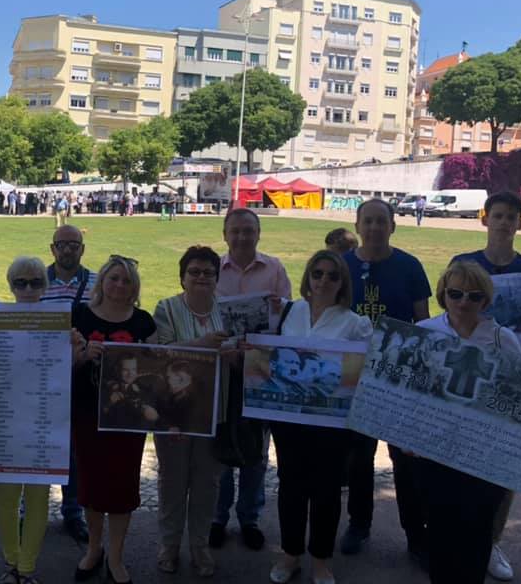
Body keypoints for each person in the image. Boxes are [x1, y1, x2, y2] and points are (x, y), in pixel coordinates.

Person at [449, 191, 521, 581]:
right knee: (456, 462)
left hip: (514, 379)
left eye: (510, 217)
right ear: (485, 219)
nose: (504, 222)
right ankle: (453, 536)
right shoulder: (463, 263)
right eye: (498, 215)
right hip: (465, 376)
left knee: (503, 467)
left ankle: (491, 542)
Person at [268, 251, 373, 584]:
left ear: (343, 282)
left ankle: (321, 560)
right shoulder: (289, 311)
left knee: (326, 491)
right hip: (289, 419)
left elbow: (365, 374)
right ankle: (290, 555)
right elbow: (269, 355)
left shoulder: (355, 323)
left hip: (332, 423)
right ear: (308, 277)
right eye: (317, 273)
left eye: (332, 275)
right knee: (291, 487)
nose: (324, 280)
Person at [415, 261, 521, 584]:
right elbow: (409, 392)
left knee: (477, 531)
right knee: (439, 528)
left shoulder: (503, 340)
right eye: (456, 293)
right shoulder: (424, 332)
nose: (464, 302)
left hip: (484, 455)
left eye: (474, 296)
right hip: (435, 450)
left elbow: (519, 398)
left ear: (485, 300)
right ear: (443, 294)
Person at [340, 198, 431, 562]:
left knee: (405, 460)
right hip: (356, 375)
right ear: (358, 226)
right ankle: (359, 523)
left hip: (398, 376)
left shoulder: (409, 266)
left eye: (381, 221)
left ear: (393, 226)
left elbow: (423, 322)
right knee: (358, 458)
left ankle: (415, 534)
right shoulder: (342, 266)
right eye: (368, 221)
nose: (375, 228)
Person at [153, 245, 240, 577]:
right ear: (183, 277)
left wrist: (236, 356)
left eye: (208, 272)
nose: (201, 277)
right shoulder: (167, 308)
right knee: (172, 482)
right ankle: (169, 545)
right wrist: (201, 346)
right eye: (194, 271)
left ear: (217, 278)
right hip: (173, 414)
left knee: (207, 484)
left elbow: (245, 356)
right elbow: (159, 354)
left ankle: (200, 546)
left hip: (214, 413)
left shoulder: (229, 311)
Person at [71, 255, 157, 584]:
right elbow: (61, 365)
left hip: (128, 420)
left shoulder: (144, 322)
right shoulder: (79, 316)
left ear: (135, 287)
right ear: (102, 281)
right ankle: (94, 549)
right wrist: (83, 356)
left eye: (126, 280)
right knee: (91, 484)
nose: (120, 285)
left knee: (122, 487)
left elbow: (156, 371)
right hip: (87, 415)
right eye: (114, 278)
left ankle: (116, 557)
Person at [212, 208, 291, 552]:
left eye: (248, 230)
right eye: (236, 231)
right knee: (220, 445)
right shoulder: (213, 269)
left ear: (258, 234)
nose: (242, 237)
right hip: (223, 367)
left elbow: (289, 318)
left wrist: (280, 305)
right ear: (225, 234)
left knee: (256, 450)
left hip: (260, 370)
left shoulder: (274, 269)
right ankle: (217, 517)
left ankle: (249, 518)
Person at [0, 256, 73, 584]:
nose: (27, 289)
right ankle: (12, 561)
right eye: (20, 283)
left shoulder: (59, 322)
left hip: (44, 421)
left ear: (45, 286)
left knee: (38, 498)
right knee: (6, 498)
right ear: (10, 285)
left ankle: (27, 567)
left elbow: (68, 369)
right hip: (8, 422)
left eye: (35, 282)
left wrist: (75, 347)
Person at [40, 224, 96, 542]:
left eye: (74, 245)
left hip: (81, 374)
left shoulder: (98, 283)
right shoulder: (37, 281)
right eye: (62, 244)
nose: (68, 250)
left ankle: (73, 510)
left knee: (74, 445)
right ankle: (31, 508)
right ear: (52, 248)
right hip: (44, 374)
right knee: (40, 440)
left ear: (82, 249)